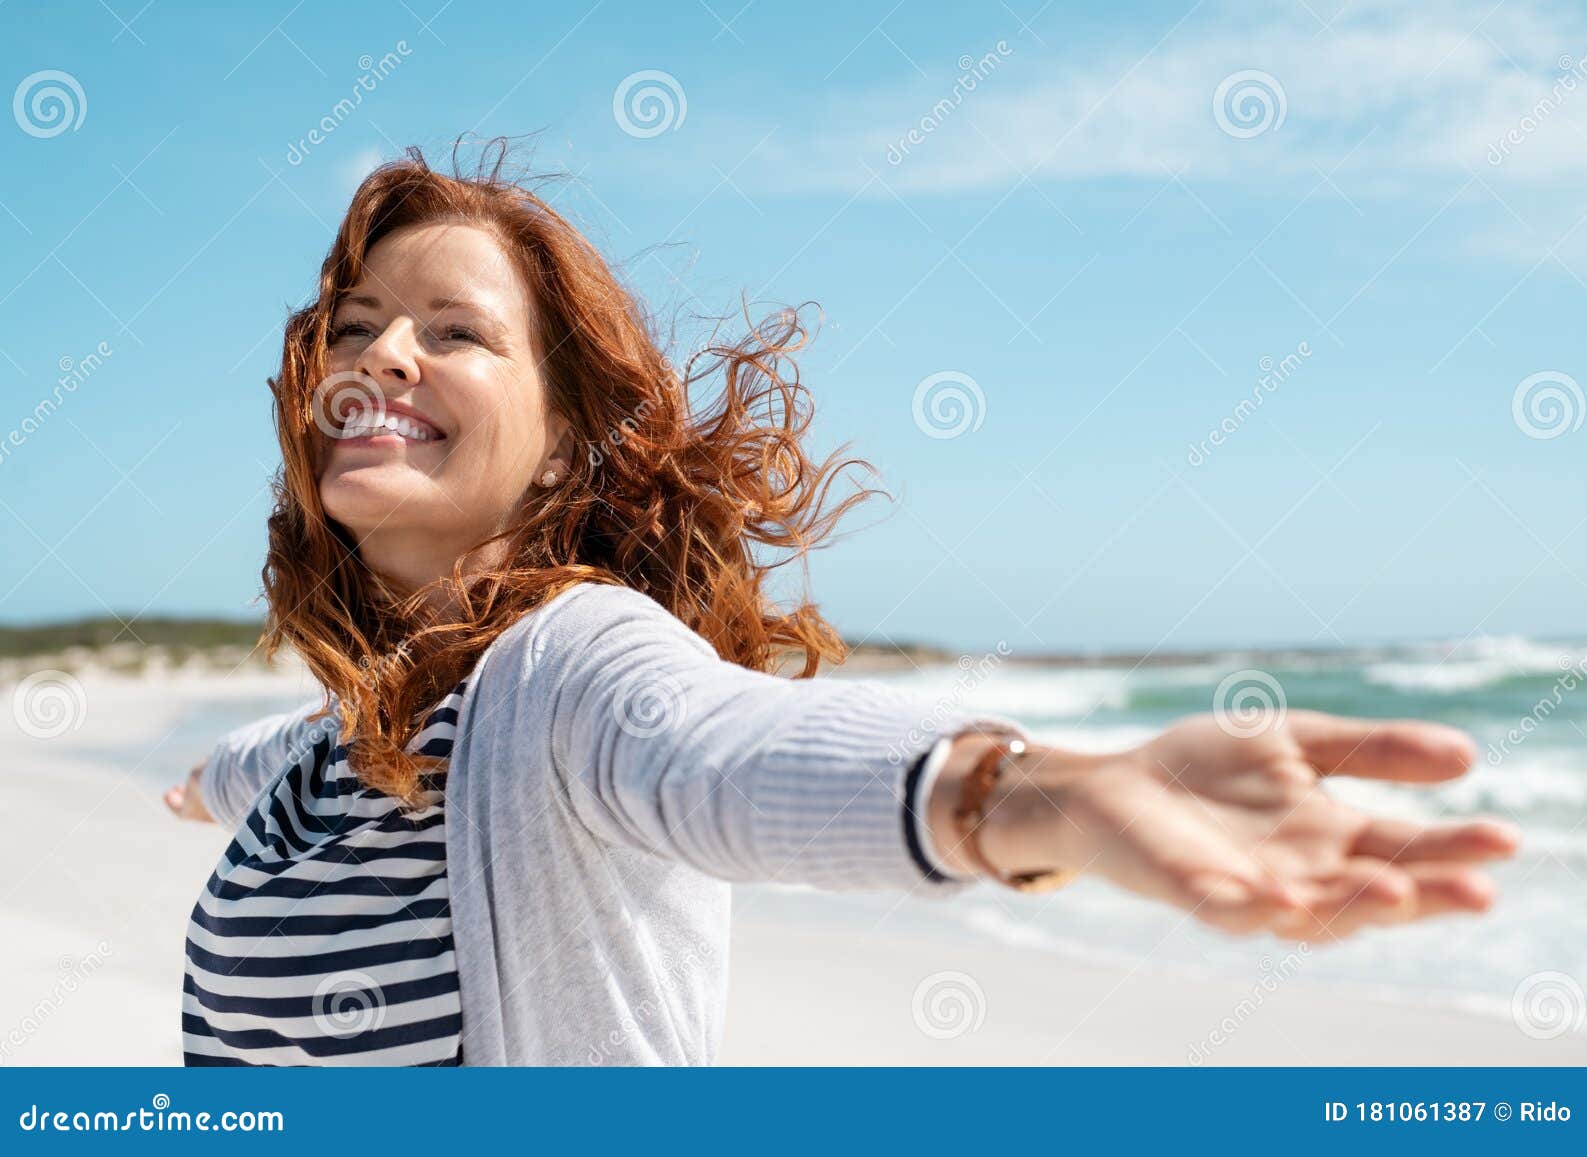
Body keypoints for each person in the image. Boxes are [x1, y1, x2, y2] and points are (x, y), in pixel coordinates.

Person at [164, 140, 1519, 1066]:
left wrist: (1021, 796)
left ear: (568, 441)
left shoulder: (569, 671)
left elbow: (722, 751)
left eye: (451, 330)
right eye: (354, 326)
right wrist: (200, 780)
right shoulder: (340, 739)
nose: (382, 352)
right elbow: (267, 757)